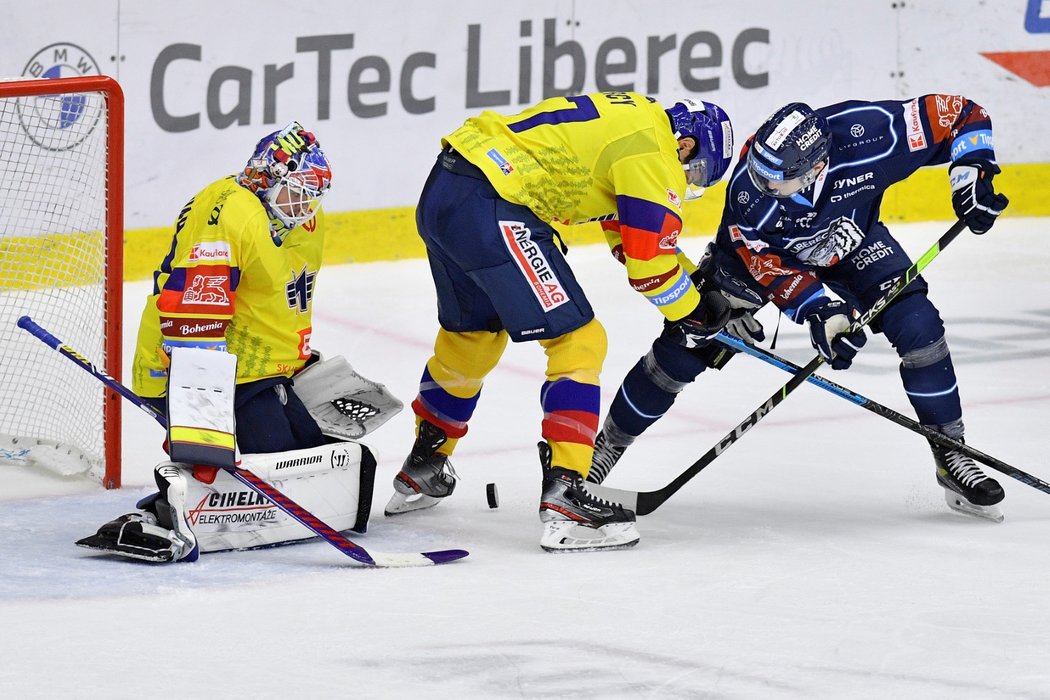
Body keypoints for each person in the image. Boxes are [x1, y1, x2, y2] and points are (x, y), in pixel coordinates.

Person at [587, 94, 1010, 522]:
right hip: (756, 258)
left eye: (777, 181)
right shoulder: (751, 194)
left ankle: (951, 452)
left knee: (919, 326)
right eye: (759, 174)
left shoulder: (871, 131)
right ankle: (605, 449)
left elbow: (961, 113)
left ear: (815, 168)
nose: (764, 186)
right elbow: (764, 259)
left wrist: (969, 173)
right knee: (687, 344)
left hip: (851, 241)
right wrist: (817, 308)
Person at [383, 92, 735, 551]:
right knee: (580, 341)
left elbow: (629, 238)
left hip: (447, 191)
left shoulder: (637, 121)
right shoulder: (658, 153)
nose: (689, 179)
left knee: (472, 337)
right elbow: (649, 269)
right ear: (685, 146)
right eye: (698, 171)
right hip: (496, 205)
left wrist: (697, 286)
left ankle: (423, 465)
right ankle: (567, 495)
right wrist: (694, 315)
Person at [77, 122, 395, 562]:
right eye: (297, 191)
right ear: (266, 177)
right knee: (270, 470)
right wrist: (199, 424)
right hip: (210, 369)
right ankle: (159, 513)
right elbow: (193, 322)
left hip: (263, 371)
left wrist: (299, 365)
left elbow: (280, 297)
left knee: (311, 461)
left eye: (312, 193)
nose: (305, 205)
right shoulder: (228, 214)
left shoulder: (292, 216)